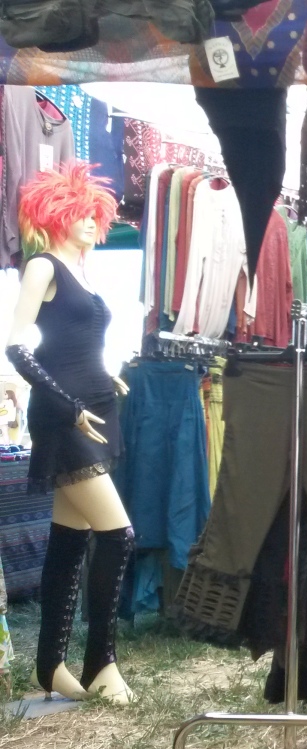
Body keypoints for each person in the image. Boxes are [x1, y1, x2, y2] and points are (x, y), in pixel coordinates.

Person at [7, 161, 134, 704]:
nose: (90, 221)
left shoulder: (84, 272)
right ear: (56, 214)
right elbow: (17, 346)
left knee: (71, 537)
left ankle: (50, 665)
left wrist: (107, 377)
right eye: (80, 212)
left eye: (94, 214)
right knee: (118, 535)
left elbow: (78, 344)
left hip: (97, 409)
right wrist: (68, 403)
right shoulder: (43, 266)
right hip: (65, 417)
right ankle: (102, 664)